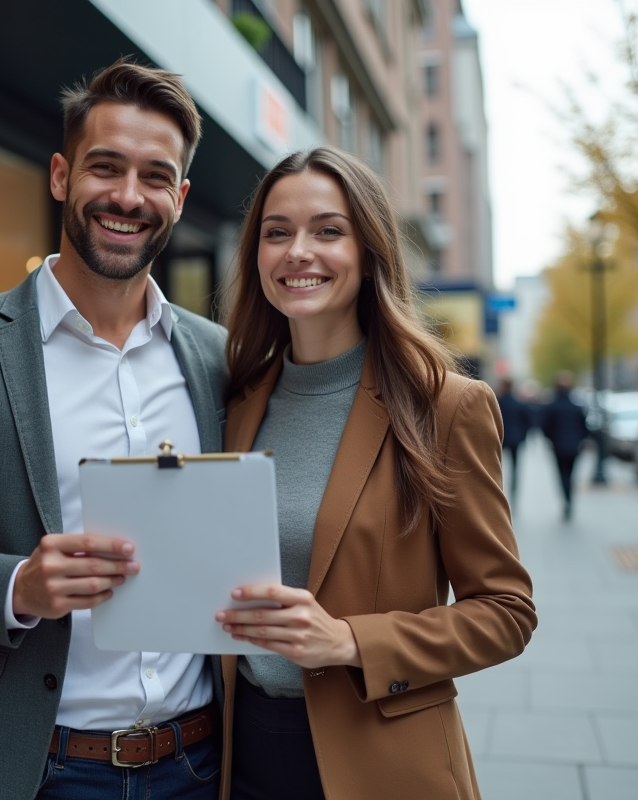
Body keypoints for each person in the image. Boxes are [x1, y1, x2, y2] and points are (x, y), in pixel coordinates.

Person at [0, 60, 227, 800]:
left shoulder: (217, 357)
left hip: (197, 764)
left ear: (180, 199)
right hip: (35, 769)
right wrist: (17, 585)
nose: (128, 196)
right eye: (105, 167)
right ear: (61, 175)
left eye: (155, 176)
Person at [214, 147, 536, 800]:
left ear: (369, 252)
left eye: (328, 230)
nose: (298, 251)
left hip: (383, 762)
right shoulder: (236, 400)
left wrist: (349, 641)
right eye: (277, 233)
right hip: (239, 753)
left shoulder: (445, 407)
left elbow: (506, 613)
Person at [540, 371, 589, 520]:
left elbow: (545, 427)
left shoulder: (552, 406)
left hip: (558, 446)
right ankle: (569, 500)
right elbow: (584, 428)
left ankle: (566, 500)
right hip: (574, 446)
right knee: (571, 474)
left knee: (561, 475)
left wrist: (551, 439)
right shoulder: (576, 407)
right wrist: (581, 440)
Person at [495, 378, 532, 501]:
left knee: (496, 465)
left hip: (500, 438)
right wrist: (523, 436)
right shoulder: (519, 404)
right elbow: (527, 423)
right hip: (516, 438)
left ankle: (498, 488)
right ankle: (514, 491)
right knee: (515, 466)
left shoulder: (498, 402)